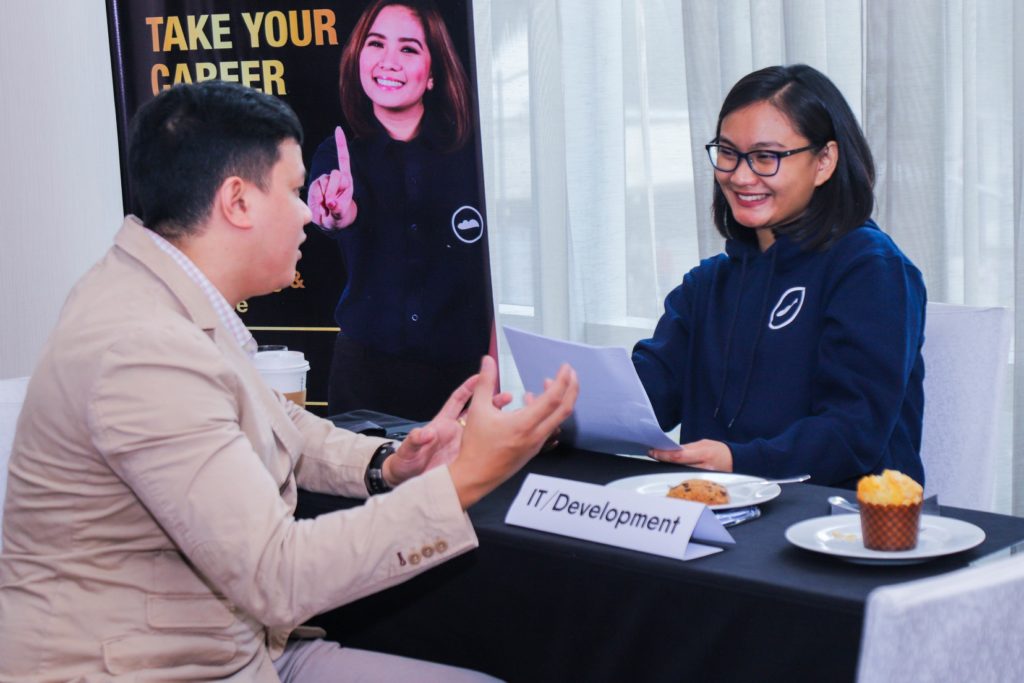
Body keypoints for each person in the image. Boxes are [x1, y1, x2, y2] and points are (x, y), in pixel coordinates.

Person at [0, 80, 577, 682]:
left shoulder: (158, 289)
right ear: (238, 202)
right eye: (295, 189)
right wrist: (467, 477)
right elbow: (278, 576)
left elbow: (271, 420)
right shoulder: (142, 347)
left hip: (238, 645)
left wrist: (390, 463)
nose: (308, 212)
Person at [632, 64, 926, 489]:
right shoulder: (707, 284)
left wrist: (737, 461)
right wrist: (562, 415)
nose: (740, 176)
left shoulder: (870, 267)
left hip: (834, 525)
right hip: (711, 516)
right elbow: (648, 396)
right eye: (729, 153)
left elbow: (852, 432)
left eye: (766, 157)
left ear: (824, 161)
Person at [307, 0, 491, 421]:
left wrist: (493, 374)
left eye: (408, 49)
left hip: (462, 378)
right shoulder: (338, 155)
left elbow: (504, 282)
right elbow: (333, 210)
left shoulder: (478, 157)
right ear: (358, 58)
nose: (389, 62)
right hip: (363, 378)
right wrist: (333, 212)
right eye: (376, 44)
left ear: (432, 73)